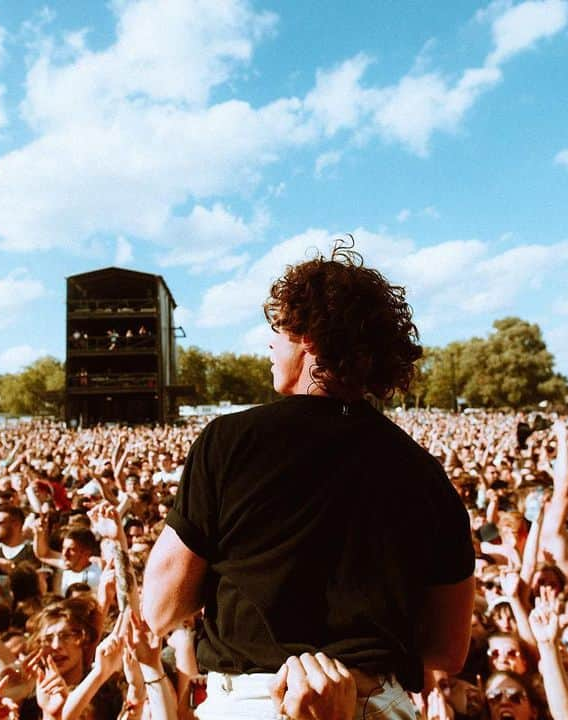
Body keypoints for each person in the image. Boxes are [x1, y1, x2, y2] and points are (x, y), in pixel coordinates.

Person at [141, 241, 476, 719]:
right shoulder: (424, 473)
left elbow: (160, 607)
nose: (270, 346)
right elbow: (447, 652)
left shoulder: (230, 441)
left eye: (278, 331)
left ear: (311, 339)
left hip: (256, 703)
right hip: (378, 704)